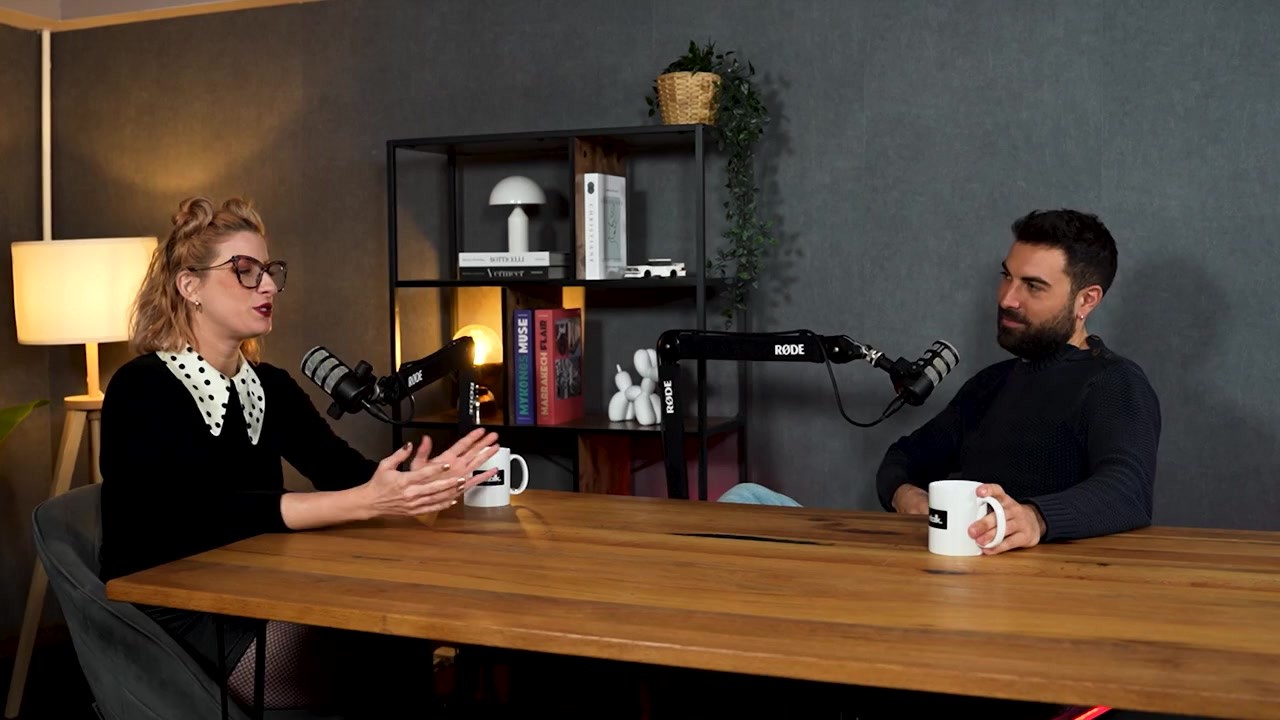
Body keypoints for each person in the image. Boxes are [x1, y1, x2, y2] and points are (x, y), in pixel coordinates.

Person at [98, 195, 501, 715]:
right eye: (244, 271)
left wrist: (415, 480)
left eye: (269, 271)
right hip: (182, 609)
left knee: (406, 623)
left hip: (258, 585)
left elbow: (342, 471)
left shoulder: (270, 385)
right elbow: (195, 515)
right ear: (190, 286)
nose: (267, 285)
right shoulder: (141, 388)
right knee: (389, 643)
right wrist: (366, 501)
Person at [719, 208, 1162, 554]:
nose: (1007, 298)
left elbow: (1128, 491)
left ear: (1086, 300)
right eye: (1006, 276)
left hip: (1016, 581)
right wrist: (905, 495)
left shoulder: (1113, 382)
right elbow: (904, 456)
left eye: (1033, 286)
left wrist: (1035, 519)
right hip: (935, 561)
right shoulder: (991, 384)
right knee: (746, 498)